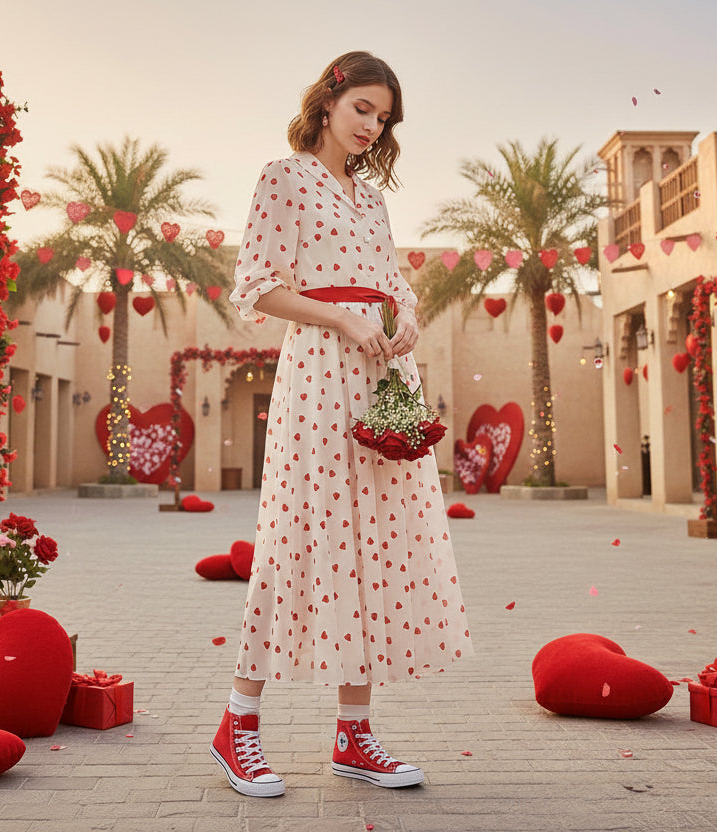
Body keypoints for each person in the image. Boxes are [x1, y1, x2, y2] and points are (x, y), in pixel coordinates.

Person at [211, 50, 471, 799]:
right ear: (328, 100)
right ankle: (239, 725)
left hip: (380, 377)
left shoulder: (371, 198)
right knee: (297, 537)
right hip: (319, 377)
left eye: (383, 117)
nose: (371, 126)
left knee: (376, 548)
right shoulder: (284, 178)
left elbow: (393, 284)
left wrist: (408, 319)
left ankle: (354, 737)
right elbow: (256, 287)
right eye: (363, 107)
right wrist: (337, 318)